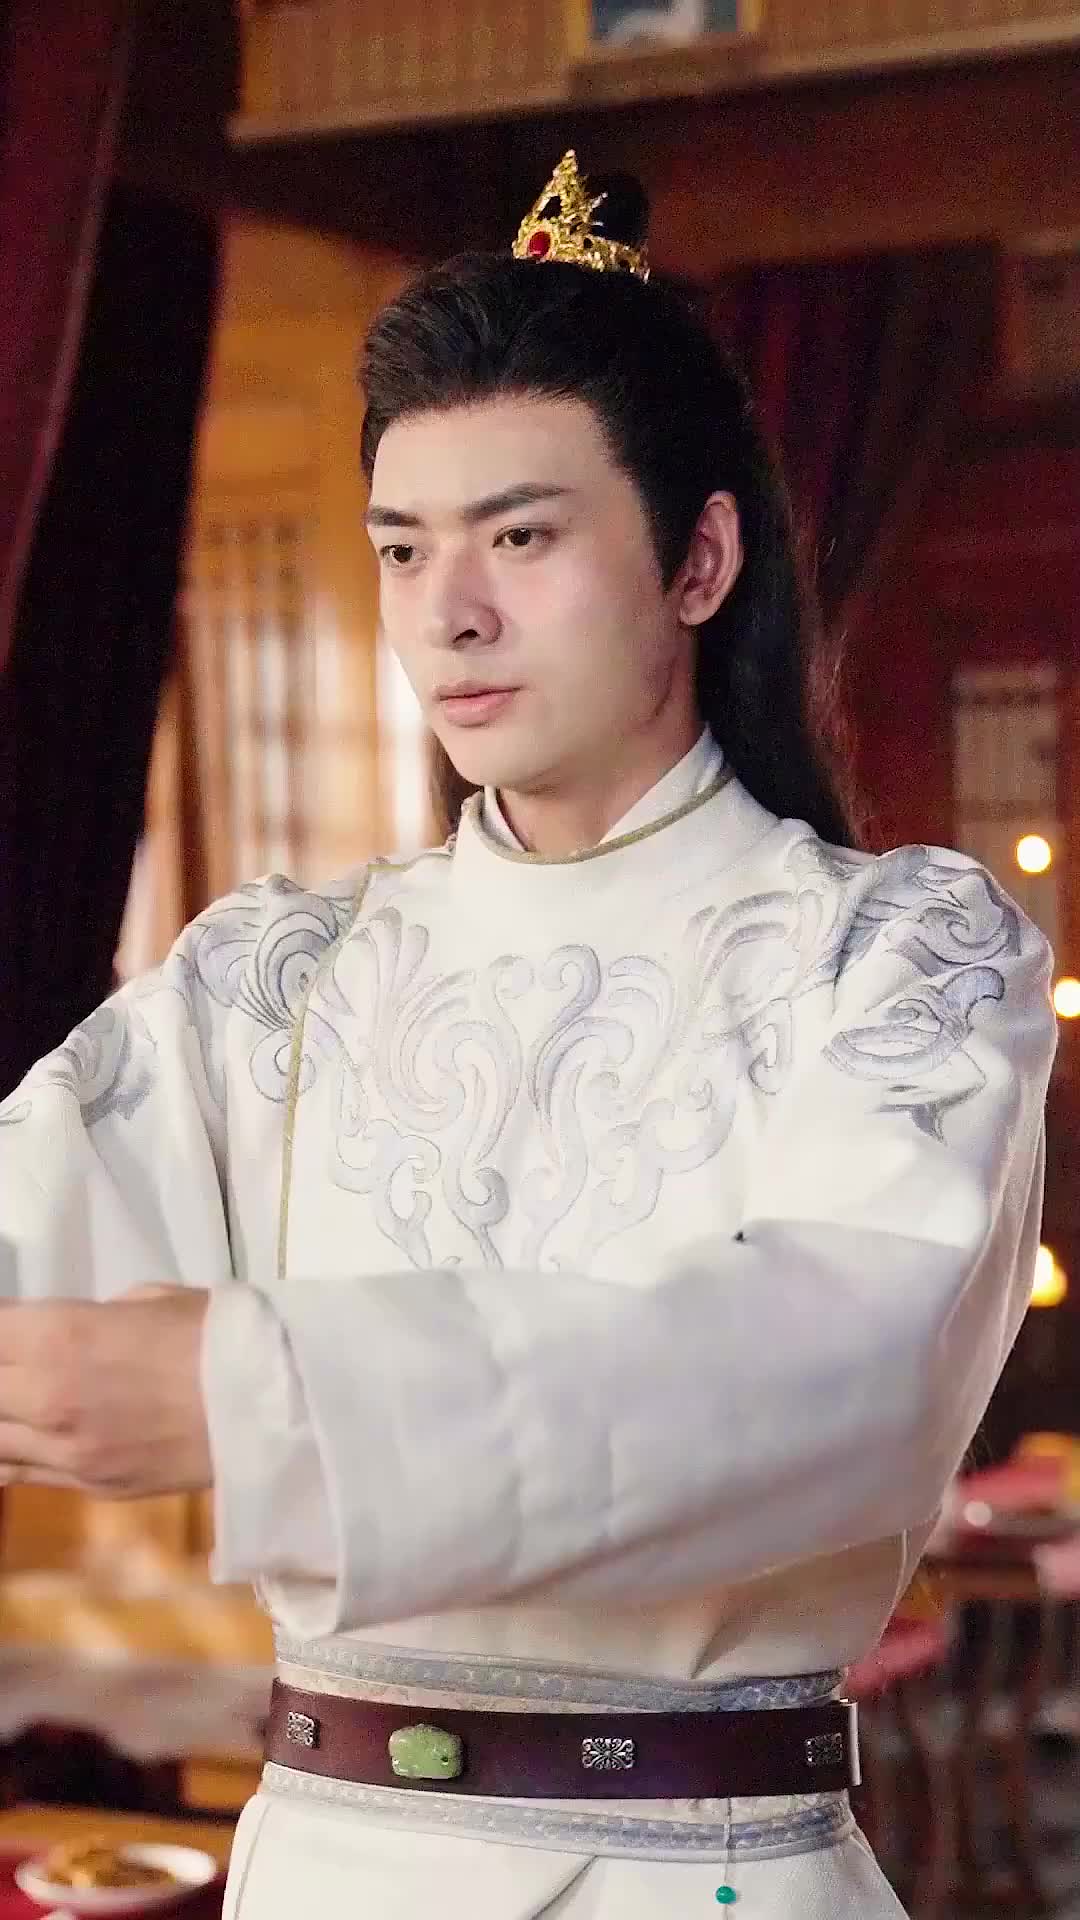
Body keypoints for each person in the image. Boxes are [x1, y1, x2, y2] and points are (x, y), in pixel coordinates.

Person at [0, 152, 1057, 1918]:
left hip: (706, 1876)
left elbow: (832, 1363)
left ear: (700, 558)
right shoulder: (279, 977)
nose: (450, 611)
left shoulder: (898, 956)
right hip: (328, 1867)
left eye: (522, 535)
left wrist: (261, 1389)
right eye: (402, 548)